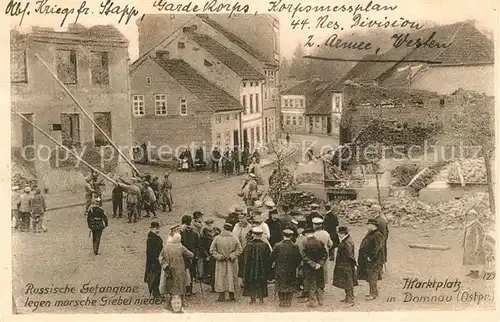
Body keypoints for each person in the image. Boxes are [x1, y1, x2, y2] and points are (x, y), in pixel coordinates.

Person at [159, 225, 194, 313]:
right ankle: (180, 304)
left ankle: (168, 304)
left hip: (169, 270)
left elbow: (160, 257)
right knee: (180, 288)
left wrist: (165, 265)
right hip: (179, 270)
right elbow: (191, 254)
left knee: (170, 287)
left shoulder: (166, 246)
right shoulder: (180, 247)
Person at [210, 222, 243, 302]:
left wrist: (219, 256)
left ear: (223, 228)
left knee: (221, 278)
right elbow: (240, 249)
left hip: (221, 262)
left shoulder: (217, 238)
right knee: (232, 277)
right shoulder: (234, 238)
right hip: (232, 262)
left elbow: (212, 250)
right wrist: (232, 255)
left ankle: (221, 297)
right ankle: (232, 296)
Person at [270, 229, 302, 307]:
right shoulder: (295, 246)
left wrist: (275, 263)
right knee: (290, 284)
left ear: (283, 235)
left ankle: (282, 302)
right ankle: (288, 302)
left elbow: (272, 257)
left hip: (280, 268)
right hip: (291, 269)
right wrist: (295, 266)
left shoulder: (278, 245)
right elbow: (299, 258)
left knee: (280, 284)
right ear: (291, 236)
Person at [241, 226, 271, 304]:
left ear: (253, 235)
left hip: (251, 269)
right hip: (262, 269)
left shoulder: (249, 245)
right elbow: (268, 258)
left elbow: (245, 258)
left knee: (251, 282)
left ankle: (252, 299)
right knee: (261, 282)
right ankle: (261, 299)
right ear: (261, 235)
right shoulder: (265, 245)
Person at [357, 218, 384, 301]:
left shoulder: (377, 235)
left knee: (373, 277)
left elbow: (377, 248)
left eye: (369, 224)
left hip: (373, 260)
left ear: (373, 226)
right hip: (368, 259)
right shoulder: (370, 233)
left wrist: (371, 257)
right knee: (370, 276)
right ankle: (373, 292)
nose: (367, 226)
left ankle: (373, 294)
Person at [302, 228, 328, 307]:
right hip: (319, 267)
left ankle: (312, 302)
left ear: (306, 234)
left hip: (309, 268)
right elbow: (325, 254)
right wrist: (320, 264)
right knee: (319, 283)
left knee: (311, 284)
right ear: (313, 233)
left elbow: (304, 256)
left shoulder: (305, 244)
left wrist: (312, 264)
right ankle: (320, 301)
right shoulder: (320, 242)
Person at [332, 226, 358, 307]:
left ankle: (350, 299)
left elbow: (350, 255)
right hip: (345, 264)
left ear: (342, 233)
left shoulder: (346, 242)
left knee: (348, 281)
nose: (338, 235)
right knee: (347, 281)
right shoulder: (346, 240)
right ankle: (348, 297)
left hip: (346, 264)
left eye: (339, 233)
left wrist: (353, 263)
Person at [180, 215, 202, 296]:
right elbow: (198, 245)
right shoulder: (194, 231)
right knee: (192, 272)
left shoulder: (180, 231)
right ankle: (190, 289)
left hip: (183, 255)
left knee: (184, 271)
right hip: (192, 254)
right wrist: (196, 254)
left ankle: (184, 289)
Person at [463, 209, 486, 278]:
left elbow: (479, 236)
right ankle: (472, 271)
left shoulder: (477, 224)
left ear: (474, 215)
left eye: (471, 215)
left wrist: (477, 247)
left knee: (476, 258)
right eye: (468, 215)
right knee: (470, 258)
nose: (469, 216)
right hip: (469, 245)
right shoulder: (470, 223)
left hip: (474, 244)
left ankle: (476, 272)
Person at [144, 221, 163, 299]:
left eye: (158, 228)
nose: (158, 230)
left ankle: (157, 293)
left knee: (158, 276)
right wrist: (155, 261)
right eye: (156, 228)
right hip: (154, 261)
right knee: (154, 277)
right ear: (152, 229)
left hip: (157, 260)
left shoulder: (155, 236)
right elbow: (150, 252)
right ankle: (155, 294)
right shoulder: (151, 239)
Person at [312, 217, 333, 284]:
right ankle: (323, 283)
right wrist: (327, 247)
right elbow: (330, 244)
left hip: (314, 253)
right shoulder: (326, 233)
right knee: (324, 268)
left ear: (315, 225)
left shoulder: (313, 234)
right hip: (324, 253)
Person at [201, 219, 220, 292]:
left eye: (211, 224)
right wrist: (206, 255)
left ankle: (217, 285)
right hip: (208, 255)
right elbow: (202, 246)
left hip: (216, 254)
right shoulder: (204, 233)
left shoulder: (217, 232)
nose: (210, 226)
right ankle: (213, 286)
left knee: (216, 270)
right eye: (208, 225)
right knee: (210, 272)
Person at [372, 205, 388, 278]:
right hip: (382, 241)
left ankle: (378, 274)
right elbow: (387, 232)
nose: (371, 213)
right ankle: (380, 272)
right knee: (381, 256)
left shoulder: (378, 221)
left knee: (377, 256)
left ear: (377, 212)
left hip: (378, 241)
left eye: (372, 211)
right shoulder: (383, 220)